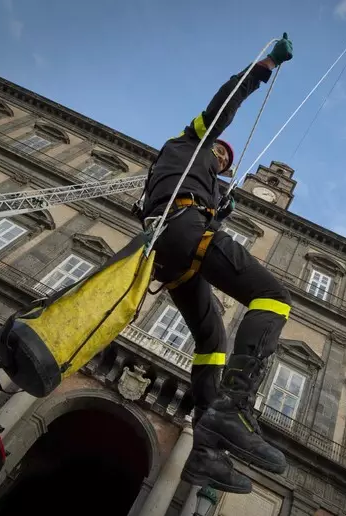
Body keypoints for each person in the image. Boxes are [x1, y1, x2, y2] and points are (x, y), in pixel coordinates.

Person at [139, 35, 294, 493]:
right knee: (273, 297)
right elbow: (226, 102)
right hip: (182, 229)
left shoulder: (197, 179)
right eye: (220, 152)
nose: (223, 157)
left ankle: (206, 451)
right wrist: (265, 66)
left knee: (213, 341)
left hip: (171, 253)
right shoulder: (190, 141)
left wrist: (217, 208)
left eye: (226, 161)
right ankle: (234, 407)